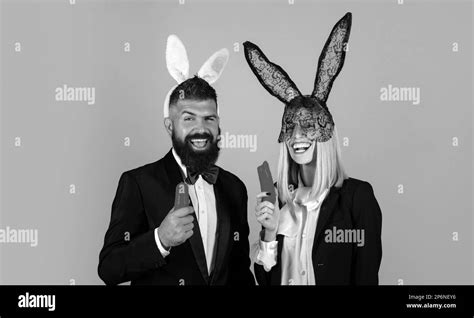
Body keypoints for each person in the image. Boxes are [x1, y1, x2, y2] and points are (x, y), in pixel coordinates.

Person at [98, 35, 255, 286]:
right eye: (189, 118)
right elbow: (109, 268)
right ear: (170, 126)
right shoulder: (138, 183)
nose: (200, 128)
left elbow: (240, 273)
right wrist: (160, 240)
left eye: (209, 118)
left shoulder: (235, 188)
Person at [243, 13, 382, 285]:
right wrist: (269, 232)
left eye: (307, 126)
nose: (297, 136)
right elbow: (264, 278)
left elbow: (366, 276)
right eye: (290, 126)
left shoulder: (356, 199)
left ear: (325, 131)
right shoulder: (278, 196)